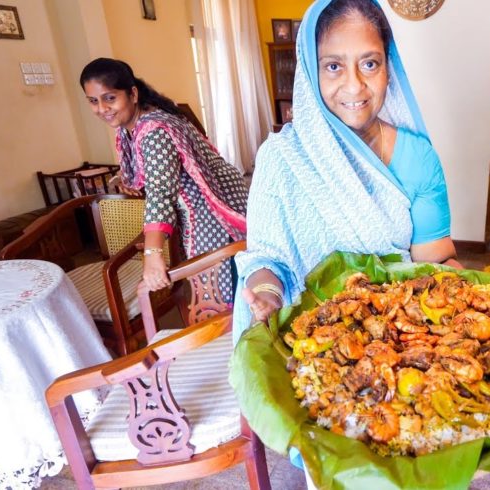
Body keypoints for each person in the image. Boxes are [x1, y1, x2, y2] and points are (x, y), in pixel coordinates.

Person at [233, 0, 460, 339]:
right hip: (306, 343)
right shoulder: (281, 158)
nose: (354, 86)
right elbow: (267, 258)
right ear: (311, 70)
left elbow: (436, 262)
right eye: (334, 67)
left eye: (369, 63)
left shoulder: (418, 158)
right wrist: (268, 296)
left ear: (388, 68)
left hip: (393, 338)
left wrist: (471, 291)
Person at [79, 58, 248, 299]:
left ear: (132, 94)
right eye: (93, 101)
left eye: (110, 98)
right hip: (199, 206)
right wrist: (123, 180)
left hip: (213, 209)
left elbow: (161, 192)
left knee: (224, 287)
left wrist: (153, 253)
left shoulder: (155, 129)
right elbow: (147, 170)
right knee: (216, 282)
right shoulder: (131, 126)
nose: (102, 109)